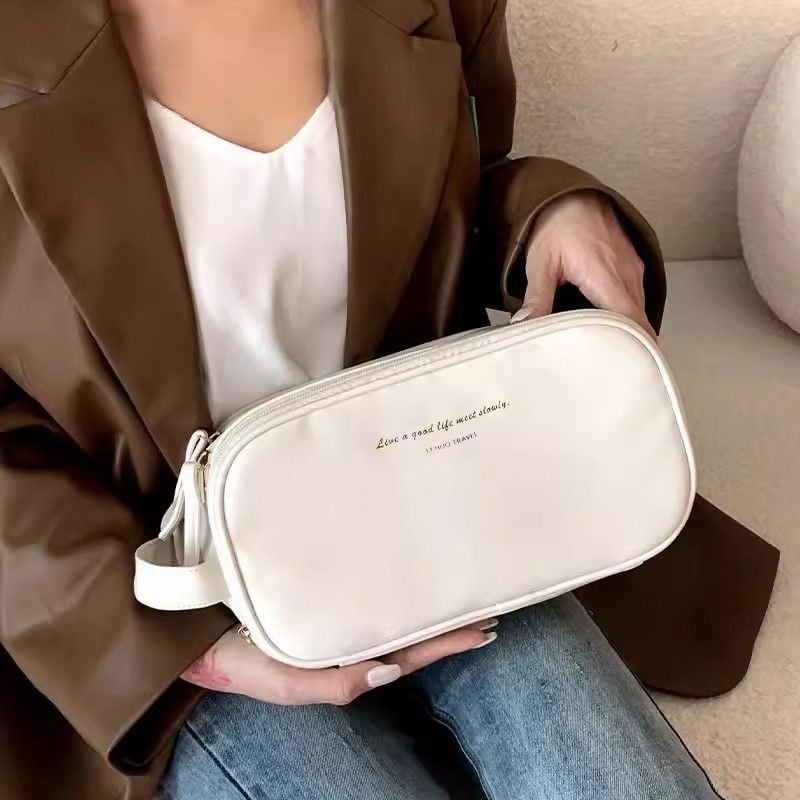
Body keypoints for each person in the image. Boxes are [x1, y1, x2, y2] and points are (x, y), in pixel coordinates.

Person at [0, 1, 779, 798]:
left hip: (434, 501)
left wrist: (551, 212)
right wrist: (184, 654)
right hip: (177, 577)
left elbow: (464, 196)